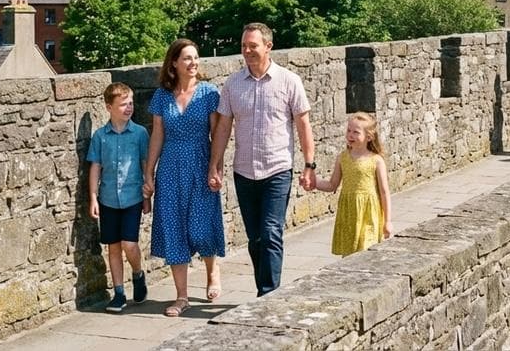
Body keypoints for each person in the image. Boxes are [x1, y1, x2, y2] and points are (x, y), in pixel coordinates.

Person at [208, 23, 316, 297]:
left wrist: (309, 165)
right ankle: (263, 290)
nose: (246, 51)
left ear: (268, 46)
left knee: (270, 233)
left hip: (277, 168)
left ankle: (269, 295)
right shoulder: (233, 84)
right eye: (244, 46)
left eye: (252, 46)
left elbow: (303, 124)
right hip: (244, 171)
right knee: (255, 240)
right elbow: (222, 127)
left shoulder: (289, 81)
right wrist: (215, 164)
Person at [144, 38, 225, 317]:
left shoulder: (209, 93)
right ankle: (181, 297)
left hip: (201, 163)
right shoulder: (162, 97)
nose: (193, 63)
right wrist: (149, 172)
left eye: (196, 57)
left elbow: (218, 135)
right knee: (174, 228)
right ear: (174, 63)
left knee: (202, 227)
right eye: (187, 58)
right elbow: (157, 135)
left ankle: (212, 271)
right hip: (170, 168)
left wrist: (217, 168)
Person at [87, 82, 150, 313]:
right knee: (113, 247)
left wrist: (147, 194)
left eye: (131, 103)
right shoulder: (100, 136)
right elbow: (95, 167)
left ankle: (138, 272)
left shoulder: (140, 133)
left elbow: (145, 164)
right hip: (108, 199)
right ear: (108, 107)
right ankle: (119, 293)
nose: (129, 108)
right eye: (123, 104)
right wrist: (93, 197)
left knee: (129, 244)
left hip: (133, 197)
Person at [315, 114, 392, 256]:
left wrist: (387, 221)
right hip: (349, 212)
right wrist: (314, 182)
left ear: (369, 137)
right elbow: (332, 185)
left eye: (356, 132)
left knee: (366, 250)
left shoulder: (376, 160)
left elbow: (384, 192)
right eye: (349, 131)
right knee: (349, 255)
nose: (350, 135)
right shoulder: (342, 158)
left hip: (369, 213)